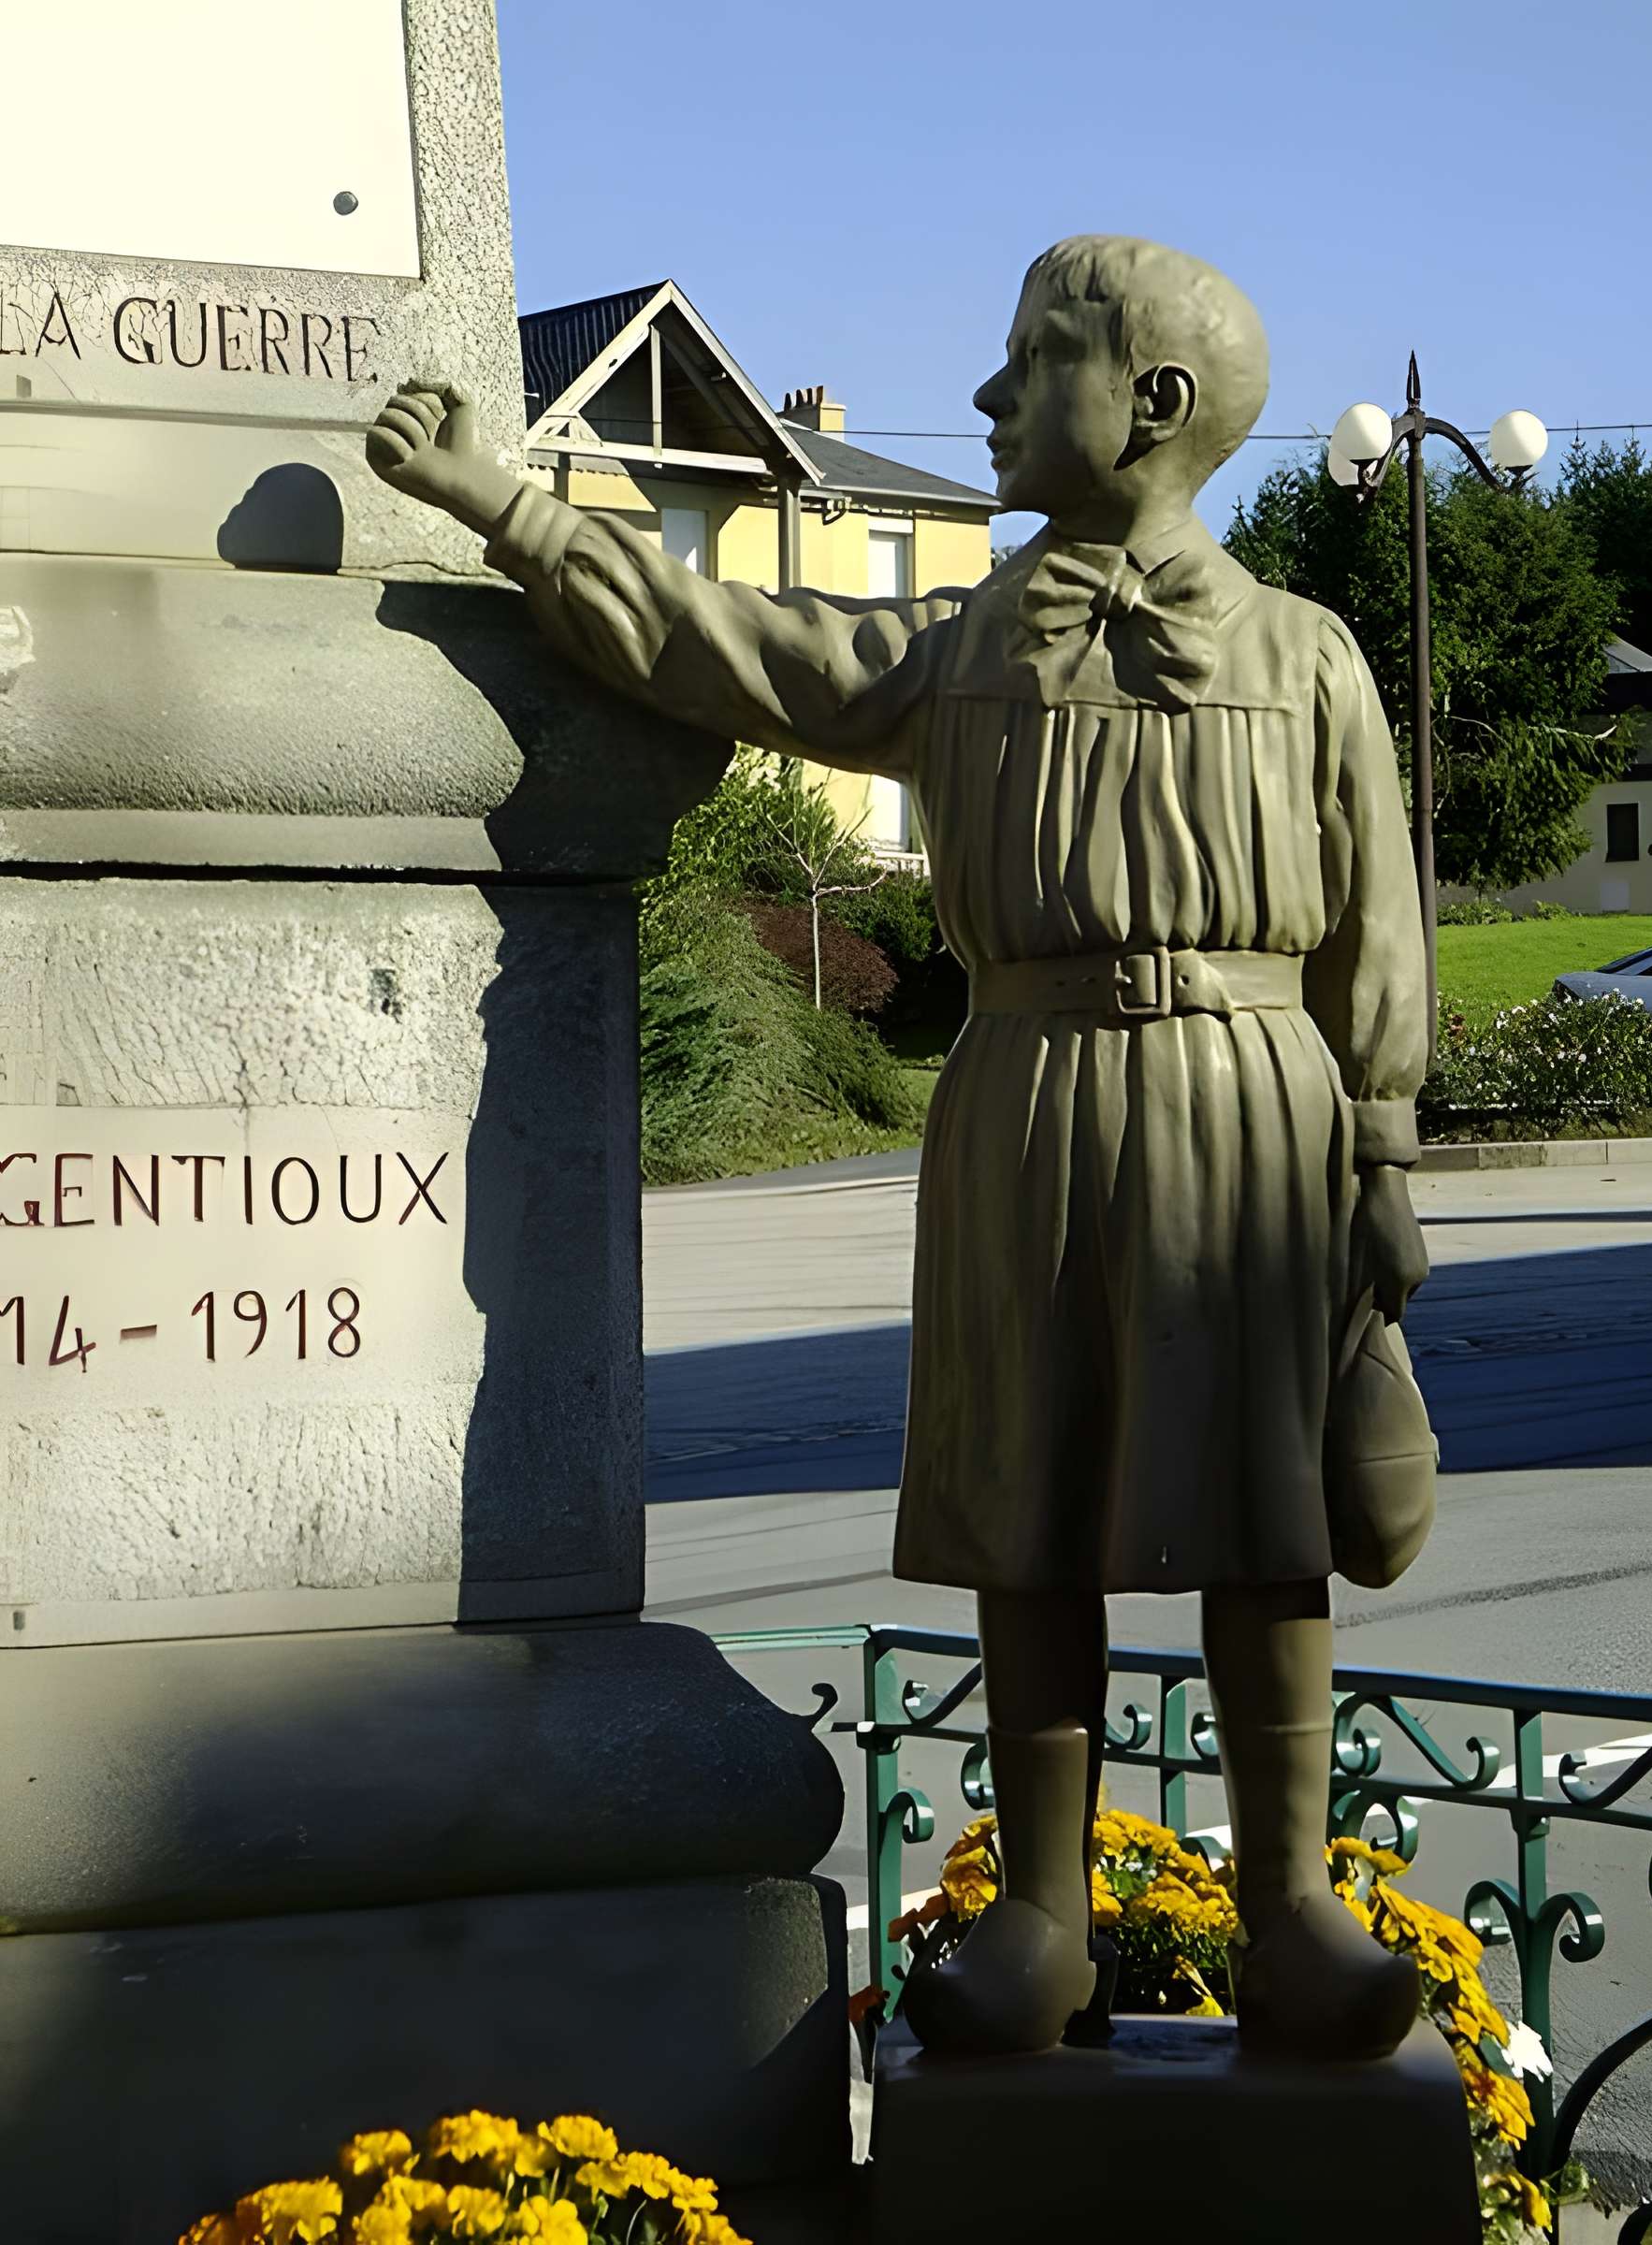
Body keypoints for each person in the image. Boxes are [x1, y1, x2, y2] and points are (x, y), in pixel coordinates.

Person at [368, 234, 1435, 2063]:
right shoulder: (959, 647)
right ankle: (1038, 1912)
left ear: (1153, 409)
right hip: (1025, 1094)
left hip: (1261, 1104)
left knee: (1269, 1521)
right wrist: (513, 512)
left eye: (1036, 362)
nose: (992, 393)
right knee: (1032, 1506)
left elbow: (1379, 927)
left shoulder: (1307, 653)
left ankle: (1291, 1907)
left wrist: (1383, 1159)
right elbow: (742, 643)